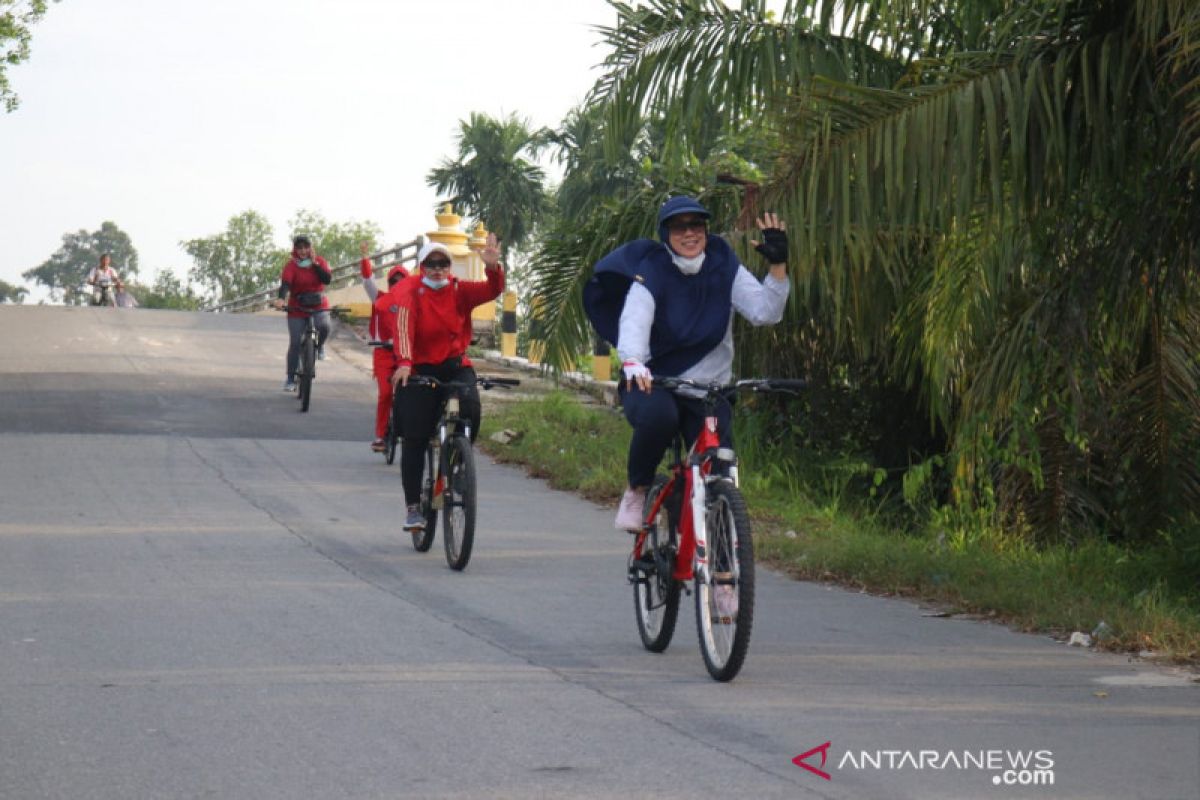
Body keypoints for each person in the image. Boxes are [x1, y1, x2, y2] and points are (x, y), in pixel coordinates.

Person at [583, 195, 791, 530]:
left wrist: (777, 267)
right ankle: (637, 490)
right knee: (659, 417)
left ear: (706, 230)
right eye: (679, 227)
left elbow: (765, 313)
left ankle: (724, 575)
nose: (689, 233)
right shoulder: (654, 268)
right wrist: (634, 362)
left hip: (709, 390)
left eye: (696, 225)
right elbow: (635, 319)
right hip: (655, 382)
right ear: (666, 234)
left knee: (720, 471)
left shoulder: (722, 262)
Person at [391, 234, 504, 530]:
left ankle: (457, 460)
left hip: (454, 365)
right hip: (420, 367)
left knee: (471, 406)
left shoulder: (458, 290)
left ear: (450, 267)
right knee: (414, 437)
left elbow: (493, 290)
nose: (438, 269)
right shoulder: (411, 292)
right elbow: (404, 328)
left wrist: (493, 267)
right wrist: (404, 363)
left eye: (443, 263)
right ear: (421, 266)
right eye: (431, 264)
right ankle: (414, 507)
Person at [359, 240, 409, 451]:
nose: (397, 284)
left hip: (405, 355)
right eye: (393, 281)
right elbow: (368, 281)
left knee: (413, 394)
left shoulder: (412, 301)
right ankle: (380, 436)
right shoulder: (379, 298)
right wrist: (365, 259)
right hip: (383, 352)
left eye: (401, 281)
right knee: (386, 393)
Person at [273, 234, 332, 392]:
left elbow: (327, 279)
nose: (303, 251)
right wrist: (280, 299)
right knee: (295, 343)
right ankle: (290, 378)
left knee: (325, 326)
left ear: (311, 248)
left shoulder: (319, 261)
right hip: (297, 308)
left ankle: (319, 347)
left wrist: (316, 264)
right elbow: (285, 284)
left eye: (306, 247)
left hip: (318, 305)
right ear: (295, 250)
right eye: (299, 248)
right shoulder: (291, 266)